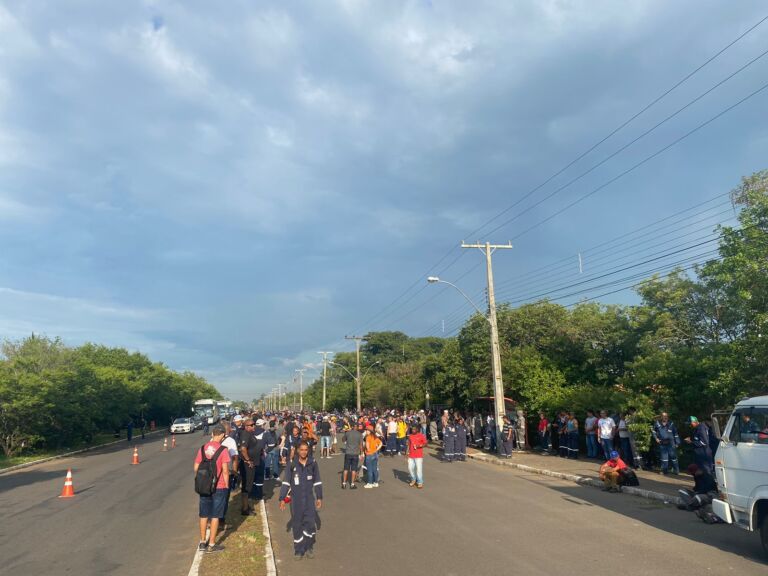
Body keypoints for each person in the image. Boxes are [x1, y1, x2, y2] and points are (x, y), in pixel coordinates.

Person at [279, 441, 323, 560]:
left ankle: (309, 547)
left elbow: (317, 481)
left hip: (309, 499)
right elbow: (286, 482)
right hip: (296, 501)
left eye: (305, 449)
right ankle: (298, 549)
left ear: (308, 450)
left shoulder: (313, 463)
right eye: (301, 449)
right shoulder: (292, 465)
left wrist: (319, 497)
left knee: (309, 523)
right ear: (297, 450)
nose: (303, 452)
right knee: (297, 524)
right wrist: (282, 498)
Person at [194, 424, 231, 553]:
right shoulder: (223, 450)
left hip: (204, 486)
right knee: (215, 516)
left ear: (212, 434)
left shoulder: (203, 448)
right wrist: (226, 486)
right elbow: (225, 471)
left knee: (203, 514)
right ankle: (212, 544)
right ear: (221, 435)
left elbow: (196, 468)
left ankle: (203, 542)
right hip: (219, 486)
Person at [238, 418, 265, 515]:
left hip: (252, 463)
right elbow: (243, 448)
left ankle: (246, 506)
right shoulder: (245, 434)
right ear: (246, 426)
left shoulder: (250, 434)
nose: (254, 426)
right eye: (252, 425)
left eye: (254, 424)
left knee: (249, 485)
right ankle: (245, 509)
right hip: (247, 465)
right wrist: (248, 460)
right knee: (247, 486)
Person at [218, 421, 239, 532]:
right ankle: (221, 522)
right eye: (230, 428)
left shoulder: (212, 440)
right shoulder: (231, 441)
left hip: (214, 474)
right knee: (224, 498)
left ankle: (211, 521)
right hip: (227, 472)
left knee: (214, 498)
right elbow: (235, 457)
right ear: (228, 429)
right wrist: (235, 472)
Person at [341, 422, 363, 489]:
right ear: (357, 427)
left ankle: (344, 483)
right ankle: (352, 484)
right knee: (354, 469)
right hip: (355, 453)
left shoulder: (348, 433)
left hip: (348, 452)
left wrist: (346, 433)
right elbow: (361, 445)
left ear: (352, 427)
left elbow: (343, 440)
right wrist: (361, 453)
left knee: (345, 469)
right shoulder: (360, 434)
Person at [406, 422, 427, 488]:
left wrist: (419, 446)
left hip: (418, 456)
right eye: (412, 429)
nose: (413, 430)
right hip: (411, 456)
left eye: (414, 429)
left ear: (417, 429)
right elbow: (408, 445)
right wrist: (406, 452)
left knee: (419, 470)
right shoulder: (410, 436)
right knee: (410, 468)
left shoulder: (421, 435)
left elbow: (425, 444)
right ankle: (413, 479)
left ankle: (420, 482)